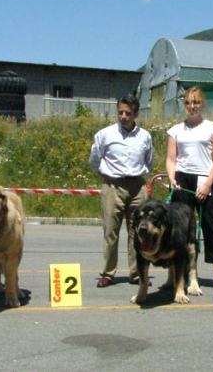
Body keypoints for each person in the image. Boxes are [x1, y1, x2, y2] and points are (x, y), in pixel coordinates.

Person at [89, 94, 154, 288]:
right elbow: (94, 159)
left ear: (136, 114)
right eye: (120, 112)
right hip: (113, 186)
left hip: (137, 187)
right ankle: (108, 273)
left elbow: (149, 162)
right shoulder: (105, 134)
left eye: (128, 113)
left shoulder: (145, 136)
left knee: (139, 232)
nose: (123, 116)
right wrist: (105, 175)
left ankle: (137, 274)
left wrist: (137, 177)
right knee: (111, 231)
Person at [166, 86, 213, 264]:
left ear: (202, 104)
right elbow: (171, 159)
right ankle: (181, 273)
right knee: (181, 227)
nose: (192, 106)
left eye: (196, 102)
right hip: (182, 179)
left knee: (212, 225)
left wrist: (208, 184)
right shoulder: (175, 130)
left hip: (204, 178)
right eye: (188, 102)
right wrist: (172, 179)